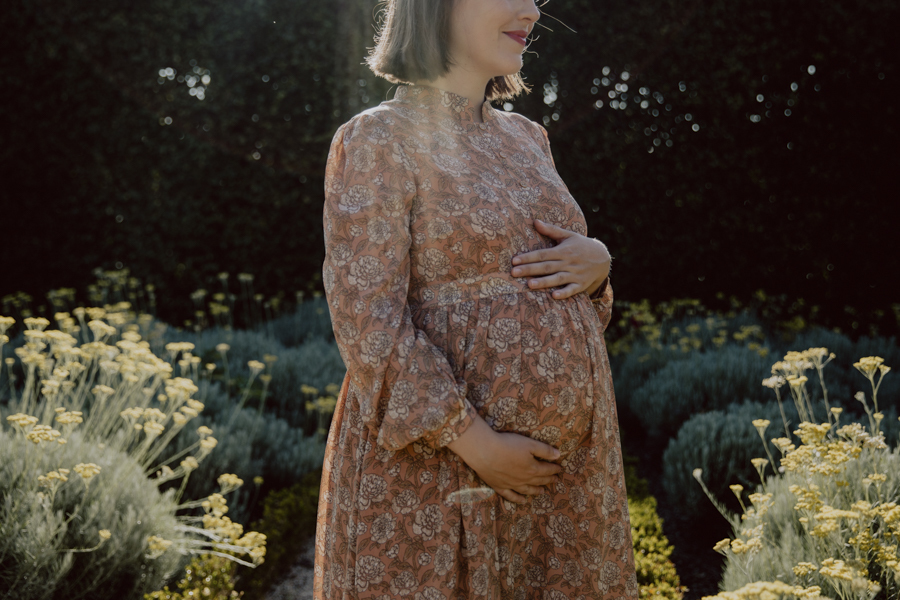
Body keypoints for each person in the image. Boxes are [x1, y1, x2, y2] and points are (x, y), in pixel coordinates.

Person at [314, 0, 637, 597]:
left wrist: (597, 266)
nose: (533, 10)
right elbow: (366, 323)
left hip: (568, 491)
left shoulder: (528, 138)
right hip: (441, 475)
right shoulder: (377, 138)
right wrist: (478, 444)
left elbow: (565, 298)